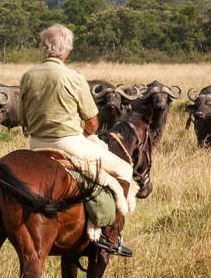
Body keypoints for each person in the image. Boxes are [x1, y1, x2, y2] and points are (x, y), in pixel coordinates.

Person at [19, 24, 135, 249]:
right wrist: (87, 135)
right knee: (125, 170)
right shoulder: (74, 77)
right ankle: (107, 232)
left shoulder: (28, 76)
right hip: (70, 144)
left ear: (44, 48)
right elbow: (92, 122)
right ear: (68, 51)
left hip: (35, 145)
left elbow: (23, 120)